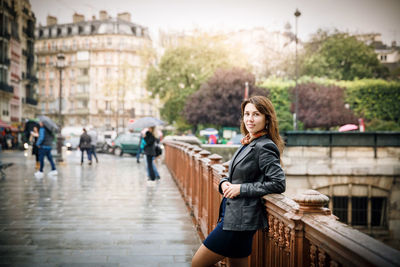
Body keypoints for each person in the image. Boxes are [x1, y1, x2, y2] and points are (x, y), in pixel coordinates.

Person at [191, 96, 286, 267]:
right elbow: (235, 174)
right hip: (234, 216)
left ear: (266, 118)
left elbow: (278, 183)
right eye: (247, 114)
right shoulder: (250, 142)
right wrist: (224, 183)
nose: (250, 119)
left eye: (256, 114)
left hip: (239, 222)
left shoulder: (264, 146)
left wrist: (240, 189)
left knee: (197, 263)